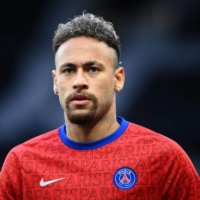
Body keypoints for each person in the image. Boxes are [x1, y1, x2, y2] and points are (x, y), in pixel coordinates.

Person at [0, 12, 199, 200]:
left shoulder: (165, 157)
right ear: (55, 81)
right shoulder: (21, 162)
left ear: (118, 79)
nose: (79, 81)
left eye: (93, 69)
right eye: (69, 70)